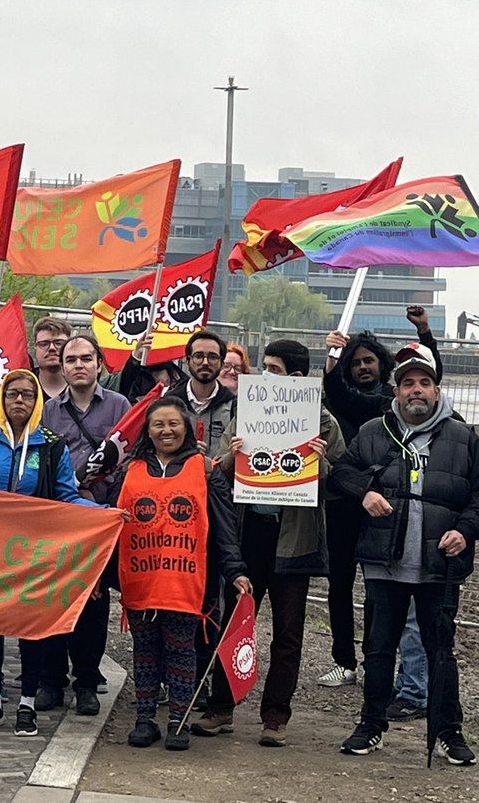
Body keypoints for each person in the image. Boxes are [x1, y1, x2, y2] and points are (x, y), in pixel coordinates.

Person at [331, 343, 477, 765]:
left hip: (439, 566)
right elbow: (342, 472)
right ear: (395, 390)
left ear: (436, 389)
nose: (416, 390)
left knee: (440, 650)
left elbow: (477, 497)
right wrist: (366, 492)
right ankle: (371, 724)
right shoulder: (375, 431)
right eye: (408, 382)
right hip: (384, 560)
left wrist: (464, 531)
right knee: (379, 649)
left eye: (424, 383)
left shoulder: (463, 436)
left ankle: (449, 731)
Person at [195, 339, 345, 746]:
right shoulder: (247, 410)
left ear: (296, 377)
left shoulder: (324, 422)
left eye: (273, 369)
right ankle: (221, 706)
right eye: (262, 367)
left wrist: (320, 461)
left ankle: (275, 717)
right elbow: (220, 472)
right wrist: (231, 456)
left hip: (294, 539)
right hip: (248, 537)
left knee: (289, 633)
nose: (264, 376)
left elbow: (339, 484)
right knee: (234, 623)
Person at [0, 369, 96, 738]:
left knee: (31, 626)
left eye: (27, 395)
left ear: (37, 401)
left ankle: (27, 702)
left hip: (32, 551)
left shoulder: (52, 445)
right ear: (2, 399)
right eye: (12, 395)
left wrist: (103, 512)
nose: (19, 402)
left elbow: (66, 495)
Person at [110, 396, 249, 751]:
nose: (166, 430)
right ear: (148, 430)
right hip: (141, 580)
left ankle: (178, 720)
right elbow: (110, 525)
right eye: (158, 424)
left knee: (182, 651)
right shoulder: (130, 470)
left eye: (173, 423)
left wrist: (235, 570)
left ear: (186, 427)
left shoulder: (205, 469)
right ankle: (144, 719)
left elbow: (223, 525)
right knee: (144, 651)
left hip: (186, 583)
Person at [318, 306, 439, 693]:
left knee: (376, 588)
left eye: (369, 360)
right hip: (342, 503)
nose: (363, 367)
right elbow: (334, 389)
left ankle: (374, 657)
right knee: (339, 584)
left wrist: (424, 334)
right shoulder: (345, 400)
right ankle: (343, 661)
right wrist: (332, 359)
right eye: (355, 363)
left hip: (384, 506)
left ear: (381, 364)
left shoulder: (392, 403)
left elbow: (432, 374)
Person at [38, 333, 131, 715]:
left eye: (85, 358)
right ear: (62, 366)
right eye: (71, 359)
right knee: (54, 599)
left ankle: (87, 681)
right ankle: (51, 679)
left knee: (93, 603)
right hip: (59, 518)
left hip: (100, 520)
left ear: (99, 364)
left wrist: (108, 506)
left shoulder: (119, 406)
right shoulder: (49, 411)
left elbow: (128, 461)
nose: (78, 364)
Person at [31, 316, 71, 400]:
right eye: (44, 343)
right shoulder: (22, 385)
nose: (52, 348)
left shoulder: (83, 385)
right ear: (35, 348)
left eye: (59, 343)